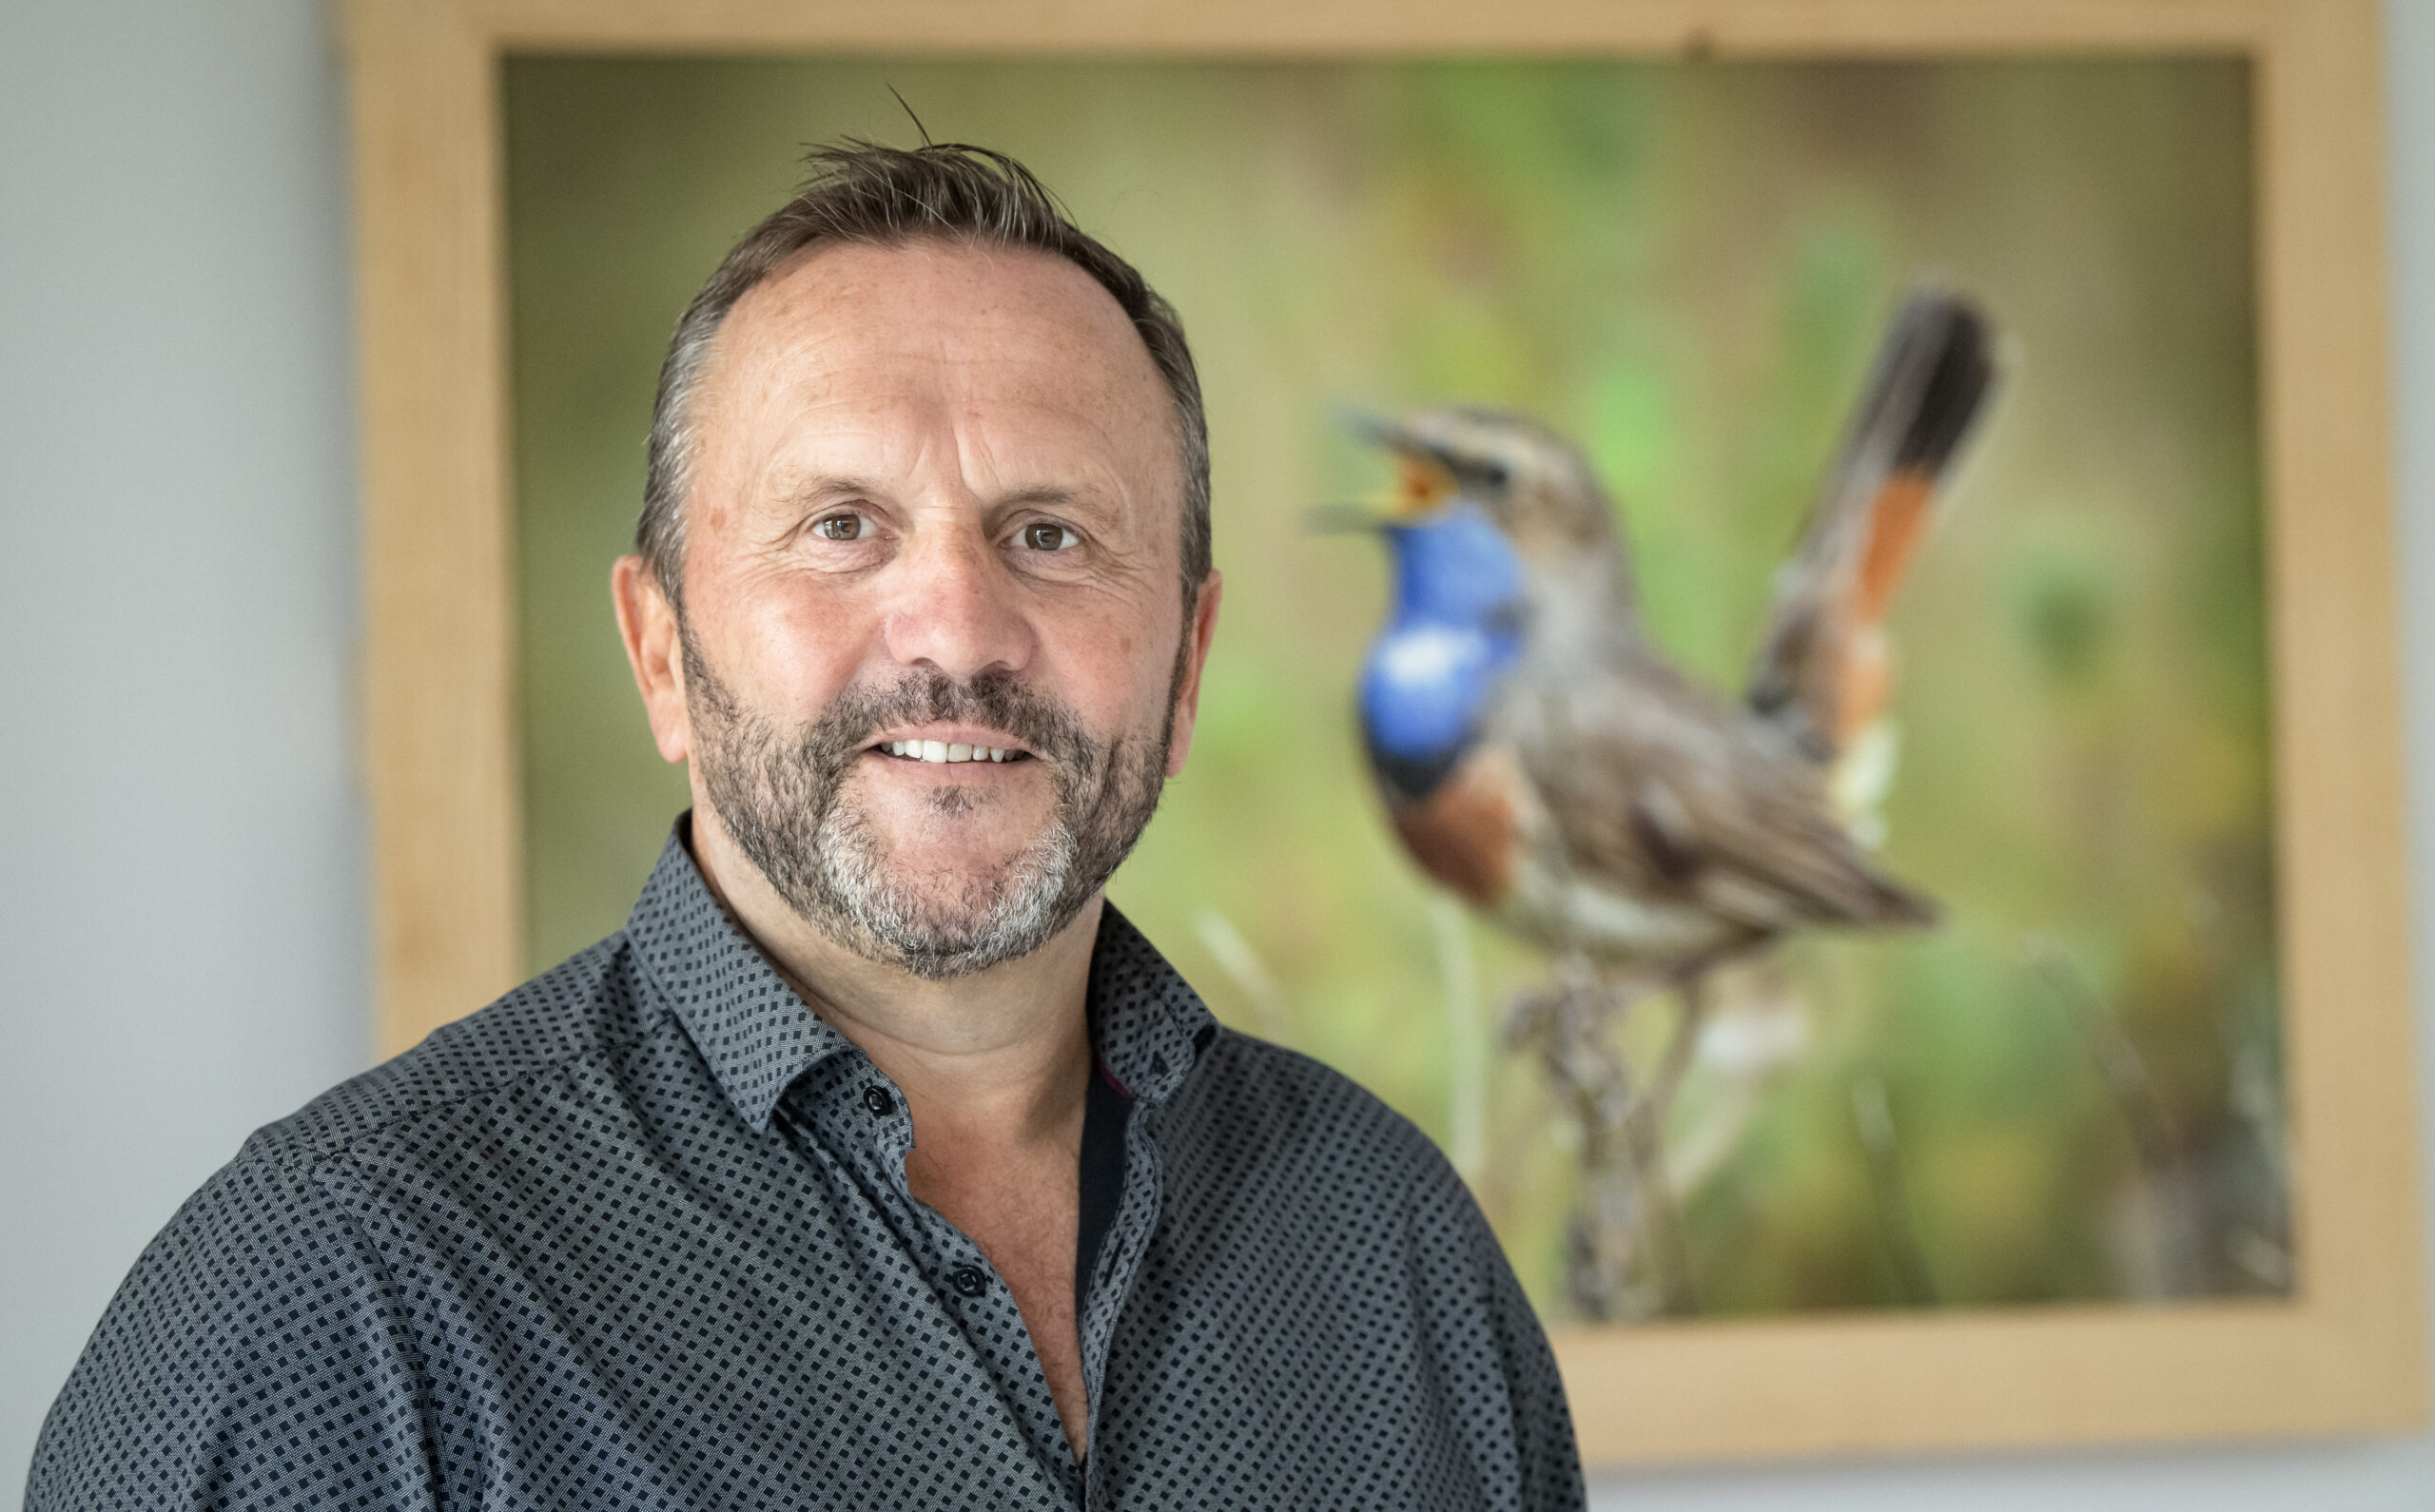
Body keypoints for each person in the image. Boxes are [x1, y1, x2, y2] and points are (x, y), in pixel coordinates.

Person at [29, 142, 1583, 1510]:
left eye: (1051, 535)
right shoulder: (327, 1304)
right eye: (841, 528)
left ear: (1185, 664)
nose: (956, 630)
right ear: (661, 655)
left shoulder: (1394, 1251)